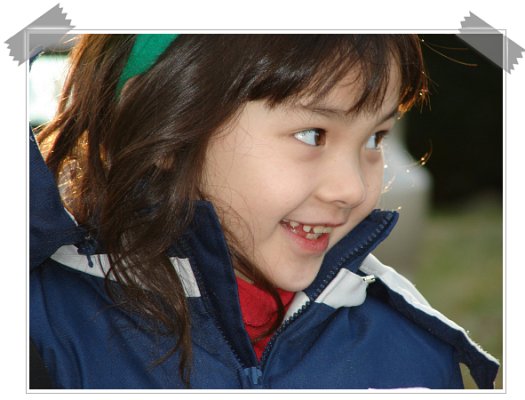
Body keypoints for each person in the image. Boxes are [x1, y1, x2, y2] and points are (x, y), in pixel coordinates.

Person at [30, 34, 499, 389]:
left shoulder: (413, 354)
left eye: (375, 139)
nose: (353, 189)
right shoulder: (44, 331)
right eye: (313, 135)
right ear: (164, 128)